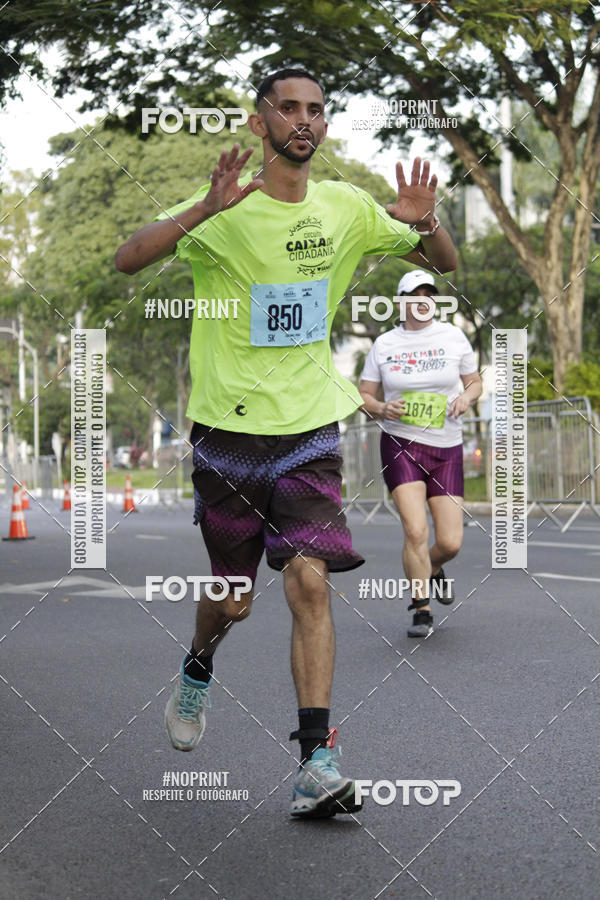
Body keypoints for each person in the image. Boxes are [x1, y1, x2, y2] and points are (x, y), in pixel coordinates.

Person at [115, 68, 457, 817]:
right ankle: (198, 666)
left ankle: (316, 762)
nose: (304, 120)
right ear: (258, 119)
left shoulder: (346, 208)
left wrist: (424, 222)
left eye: (316, 110)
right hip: (228, 435)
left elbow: (445, 265)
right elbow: (128, 258)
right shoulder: (224, 208)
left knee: (309, 579)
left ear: (324, 126)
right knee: (232, 600)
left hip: (308, 429)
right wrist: (202, 210)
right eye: (289, 108)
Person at [359, 270, 481, 638]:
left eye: (428, 294)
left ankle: (434, 568)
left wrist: (465, 398)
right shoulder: (384, 344)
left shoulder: (453, 336)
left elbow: (475, 383)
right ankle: (421, 608)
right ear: (402, 302)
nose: (422, 300)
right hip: (401, 444)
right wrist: (381, 409)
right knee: (414, 530)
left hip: (446, 446)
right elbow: (363, 395)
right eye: (414, 294)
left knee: (449, 542)